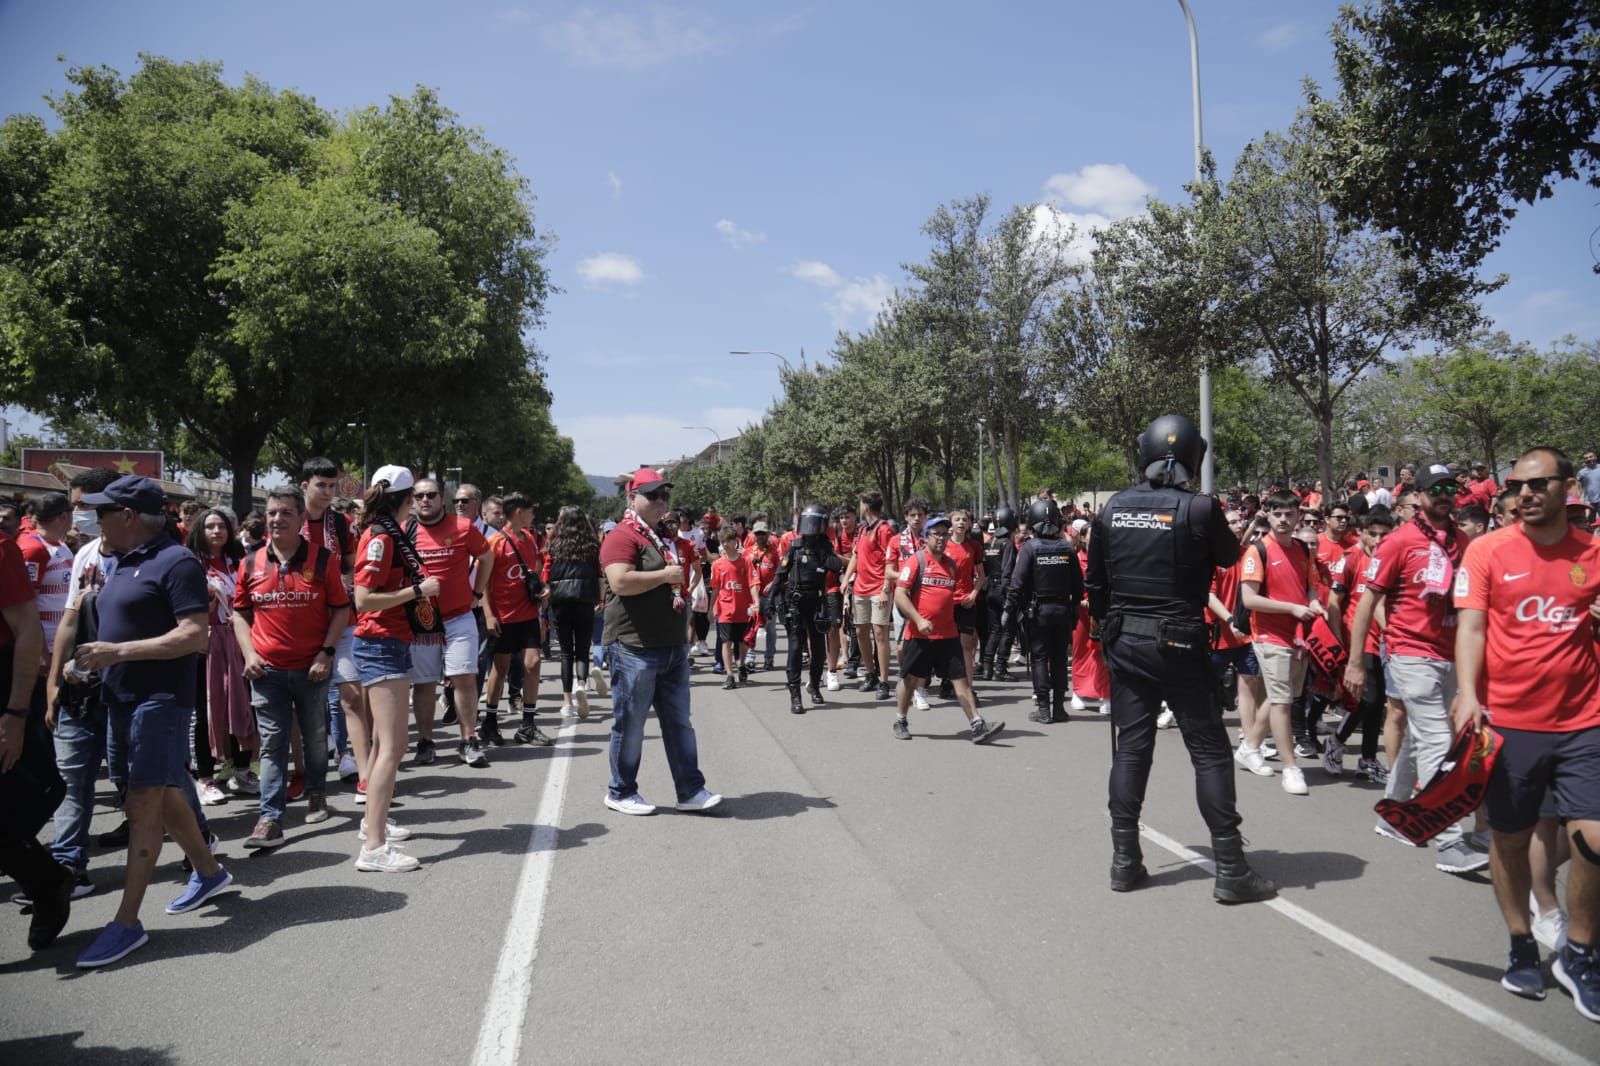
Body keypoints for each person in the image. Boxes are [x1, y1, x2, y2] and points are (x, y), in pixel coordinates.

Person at [1086, 415, 1275, 903]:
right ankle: (1230, 868)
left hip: (1126, 642)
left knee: (1132, 747)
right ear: (1194, 455)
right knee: (1209, 752)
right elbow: (1230, 557)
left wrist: (1107, 631)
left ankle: (1124, 860)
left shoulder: (1113, 510)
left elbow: (1096, 584)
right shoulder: (1199, 508)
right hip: (1182, 645)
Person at [1453, 446, 1600, 1016]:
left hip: (1585, 720)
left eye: (1539, 484)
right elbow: (1471, 628)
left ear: (1570, 488)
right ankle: (1520, 943)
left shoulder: (1592, 551)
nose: (1526, 494)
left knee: (1592, 839)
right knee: (1510, 841)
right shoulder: (1488, 551)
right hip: (1510, 723)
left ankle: (1580, 952)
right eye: (1517, 486)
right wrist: (1468, 692)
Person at [72, 476, 232, 967]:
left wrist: (116, 651)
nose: (94, 519)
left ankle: (126, 923)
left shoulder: (176, 561)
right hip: (121, 697)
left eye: (102, 511)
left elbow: (193, 636)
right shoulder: (118, 559)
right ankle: (208, 871)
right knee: (159, 793)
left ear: (128, 516)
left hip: (161, 700)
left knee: (142, 804)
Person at [1345, 463, 1486, 875]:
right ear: (1418, 496)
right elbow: (1367, 604)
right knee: (1438, 740)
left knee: (1421, 738)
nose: (1444, 494)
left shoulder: (1463, 541)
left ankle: (1392, 815)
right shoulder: (1399, 542)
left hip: (1451, 654)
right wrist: (1356, 662)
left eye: (1450, 489)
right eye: (1435, 488)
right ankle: (1448, 840)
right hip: (1410, 653)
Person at [232, 487, 349, 848]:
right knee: (272, 744)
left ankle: (316, 791)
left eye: (285, 512)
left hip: (312, 670)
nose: (276, 519)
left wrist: (326, 653)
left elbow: (342, 608)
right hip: (266, 672)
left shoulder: (324, 559)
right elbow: (239, 612)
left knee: (315, 738)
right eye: (271, 513)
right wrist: (249, 655)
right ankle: (270, 817)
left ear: (301, 519)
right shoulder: (249, 562)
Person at [600, 468, 720, 816]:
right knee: (631, 724)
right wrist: (664, 576)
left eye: (663, 495)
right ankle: (620, 791)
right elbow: (620, 581)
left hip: (670, 646)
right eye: (651, 495)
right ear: (631, 497)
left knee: (680, 722)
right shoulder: (622, 537)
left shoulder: (659, 537)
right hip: (633, 646)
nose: (659, 501)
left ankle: (690, 790)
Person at [351, 465, 436, 872]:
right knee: (393, 747)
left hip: (389, 642)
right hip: (381, 643)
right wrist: (418, 590)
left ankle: (374, 824)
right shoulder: (383, 537)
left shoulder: (387, 532)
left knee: (388, 745)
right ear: (404, 499)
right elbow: (364, 599)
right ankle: (373, 846)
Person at [0, 507, 73, 954]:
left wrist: (14, 714)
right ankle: (48, 881)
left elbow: (28, 630)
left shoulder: (4, 548)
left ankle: (47, 883)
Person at [1238, 489, 1324, 797]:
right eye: (1278, 514)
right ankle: (1290, 767)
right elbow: (1249, 599)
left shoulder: (1303, 548)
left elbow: (1311, 587)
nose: (1284, 520)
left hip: (1299, 635)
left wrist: (1314, 604)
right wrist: (1292, 608)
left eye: (1290, 514)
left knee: (1281, 697)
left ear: (1299, 515)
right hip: (1269, 635)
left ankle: (1249, 746)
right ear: (1268, 515)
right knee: (1283, 701)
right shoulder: (1257, 551)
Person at [889, 515, 1002, 743]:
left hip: (948, 634)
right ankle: (900, 719)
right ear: (926, 537)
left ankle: (977, 725)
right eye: (936, 534)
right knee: (910, 680)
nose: (941, 538)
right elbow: (900, 595)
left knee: (960, 679)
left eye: (944, 534)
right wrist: (919, 619)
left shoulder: (950, 565)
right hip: (920, 635)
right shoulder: (916, 562)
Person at [405, 478, 493, 768]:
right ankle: (425, 742)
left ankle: (469, 739)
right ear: (412, 500)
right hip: (422, 622)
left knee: (464, 677)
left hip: (459, 617)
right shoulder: (405, 530)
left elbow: (486, 557)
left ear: (443, 498)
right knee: (424, 683)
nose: (425, 500)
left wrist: (477, 593)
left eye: (431, 495)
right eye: (419, 496)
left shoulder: (462, 527)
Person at [188, 508, 257, 800]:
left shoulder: (238, 563)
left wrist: (242, 619)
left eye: (222, 526)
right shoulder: (190, 564)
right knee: (206, 711)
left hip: (237, 642)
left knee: (242, 707)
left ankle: (241, 772)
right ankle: (205, 777)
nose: (217, 532)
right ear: (199, 532)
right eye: (210, 527)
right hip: (204, 647)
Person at [482, 494, 552, 746]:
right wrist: (489, 615)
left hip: (528, 614)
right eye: (531, 510)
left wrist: (543, 591)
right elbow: (484, 584)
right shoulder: (495, 543)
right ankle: (489, 722)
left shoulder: (531, 539)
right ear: (519, 512)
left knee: (532, 664)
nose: (534, 515)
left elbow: (533, 574)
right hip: (504, 616)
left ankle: (528, 725)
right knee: (500, 668)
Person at [1006, 499, 1082, 725]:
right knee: (1059, 658)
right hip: (1063, 610)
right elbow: (1078, 584)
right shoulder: (1067, 549)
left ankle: (1043, 709)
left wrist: (1009, 610)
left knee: (1039, 658)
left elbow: (1017, 583)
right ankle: (1058, 708)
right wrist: (1075, 608)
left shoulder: (1030, 548)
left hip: (1038, 612)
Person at [768, 503, 840, 714]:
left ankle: (815, 686)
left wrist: (825, 555)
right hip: (796, 602)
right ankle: (795, 695)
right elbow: (781, 573)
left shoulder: (825, 547)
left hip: (817, 602)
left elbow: (837, 566)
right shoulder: (795, 546)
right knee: (796, 648)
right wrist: (770, 599)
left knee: (818, 651)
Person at [543, 506, 603, 720]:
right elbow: (599, 575)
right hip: (585, 599)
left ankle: (567, 702)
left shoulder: (554, 544)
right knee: (583, 648)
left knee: (566, 652)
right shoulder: (592, 545)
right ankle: (581, 684)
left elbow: (546, 573)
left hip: (560, 601)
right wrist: (600, 599)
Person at [841, 492, 897, 701]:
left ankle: (883, 680)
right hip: (861, 589)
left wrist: (885, 588)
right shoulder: (862, 530)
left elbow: (891, 561)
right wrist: (847, 580)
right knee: (861, 631)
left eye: (860, 503)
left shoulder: (884, 529)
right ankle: (871, 674)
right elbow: (855, 555)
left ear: (865, 506)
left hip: (878, 590)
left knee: (880, 634)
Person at [978, 506, 1019, 681]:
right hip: (1003, 589)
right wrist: (1009, 593)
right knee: (1008, 630)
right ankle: (1001, 667)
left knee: (994, 630)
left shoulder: (989, 542)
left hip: (989, 590)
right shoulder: (1007, 543)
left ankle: (987, 667)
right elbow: (1007, 569)